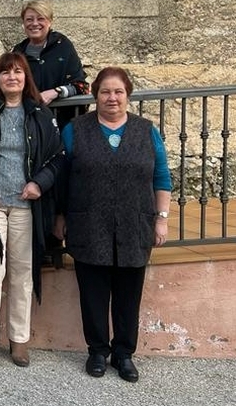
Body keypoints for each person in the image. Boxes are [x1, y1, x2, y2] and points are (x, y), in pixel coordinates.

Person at [55, 67, 171, 383]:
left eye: (118, 91)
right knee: (92, 291)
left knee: (128, 294)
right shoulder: (75, 130)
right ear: (95, 95)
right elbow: (62, 179)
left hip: (135, 225)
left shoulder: (146, 131)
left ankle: (123, 354)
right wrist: (60, 217)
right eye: (105, 91)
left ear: (128, 95)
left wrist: (161, 219)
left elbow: (161, 177)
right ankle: (97, 351)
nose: (112, 98)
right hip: (88, 223)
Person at [0, 53, 64, 372]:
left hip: (26, 206)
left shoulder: (40, 115)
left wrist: (39, 184)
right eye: (6, 72)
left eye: (18, 72)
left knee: (21, 273)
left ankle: (19, 339)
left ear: (26, 77)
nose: (12, 77)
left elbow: (58, 157)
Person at [11, 0, 89, 131]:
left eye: (40, 18)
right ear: (23, 23)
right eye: (29, 19)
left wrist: (55, 92)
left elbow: (82, 87)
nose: (34, 23)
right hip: (30, 126)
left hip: (64, 124)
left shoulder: (63, 46)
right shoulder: (19, 52)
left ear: (50, 21)